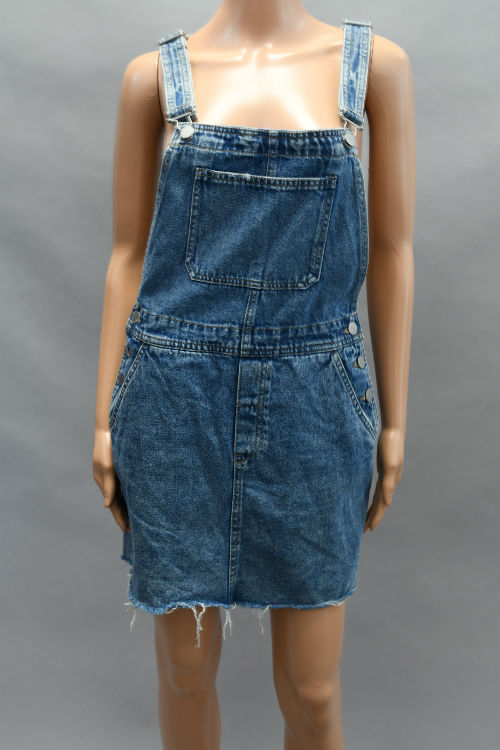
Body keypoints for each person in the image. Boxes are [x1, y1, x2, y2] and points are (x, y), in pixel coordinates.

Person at [93, 2, 415, 747]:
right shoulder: (153, 78)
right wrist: (103, 420)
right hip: (174, 397)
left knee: (311, 690)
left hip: (314, 399)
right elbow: (126, 256)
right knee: (184, 673)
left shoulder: (375, 69)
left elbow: (394, 251)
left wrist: (396, 422)